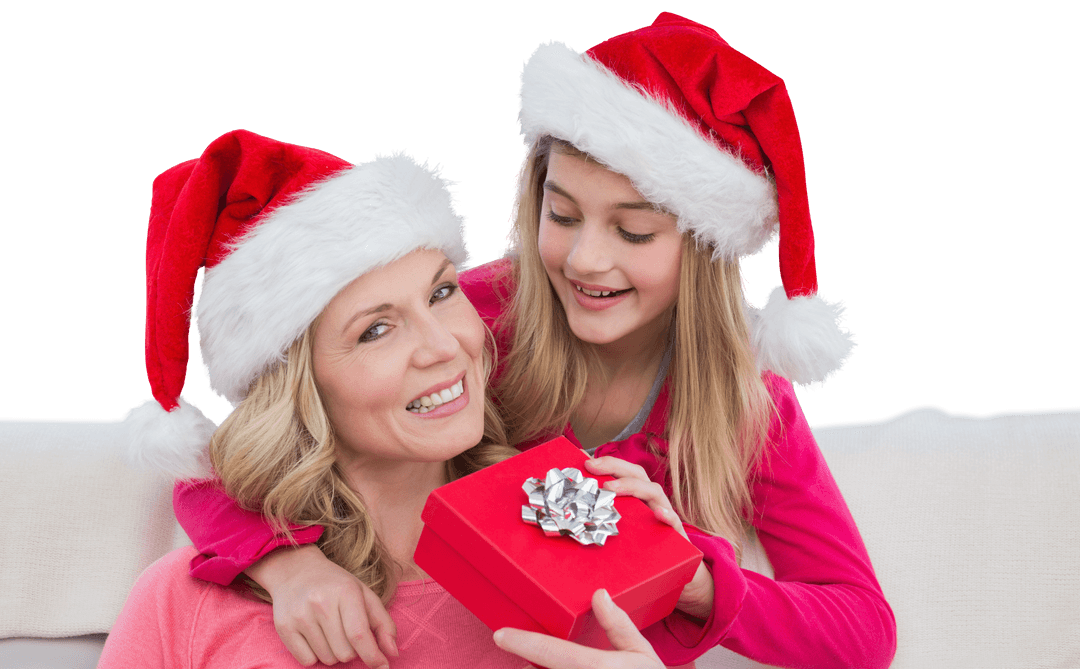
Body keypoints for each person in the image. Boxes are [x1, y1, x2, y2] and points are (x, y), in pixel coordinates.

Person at [171, 13, 897, 669]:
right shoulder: (472, 318)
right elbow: (238, 454)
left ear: (703, 249)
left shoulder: (746, 404)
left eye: (633, 231)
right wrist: (289, 566)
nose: (585, 260)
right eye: (563, 214)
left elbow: (863, 627)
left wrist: (691, 575)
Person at [98, 130, 677, 668]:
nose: (443, 345)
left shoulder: (577, 566)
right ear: (299, 391)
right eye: (376, 330)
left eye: (443, 292)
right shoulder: (183, 603)